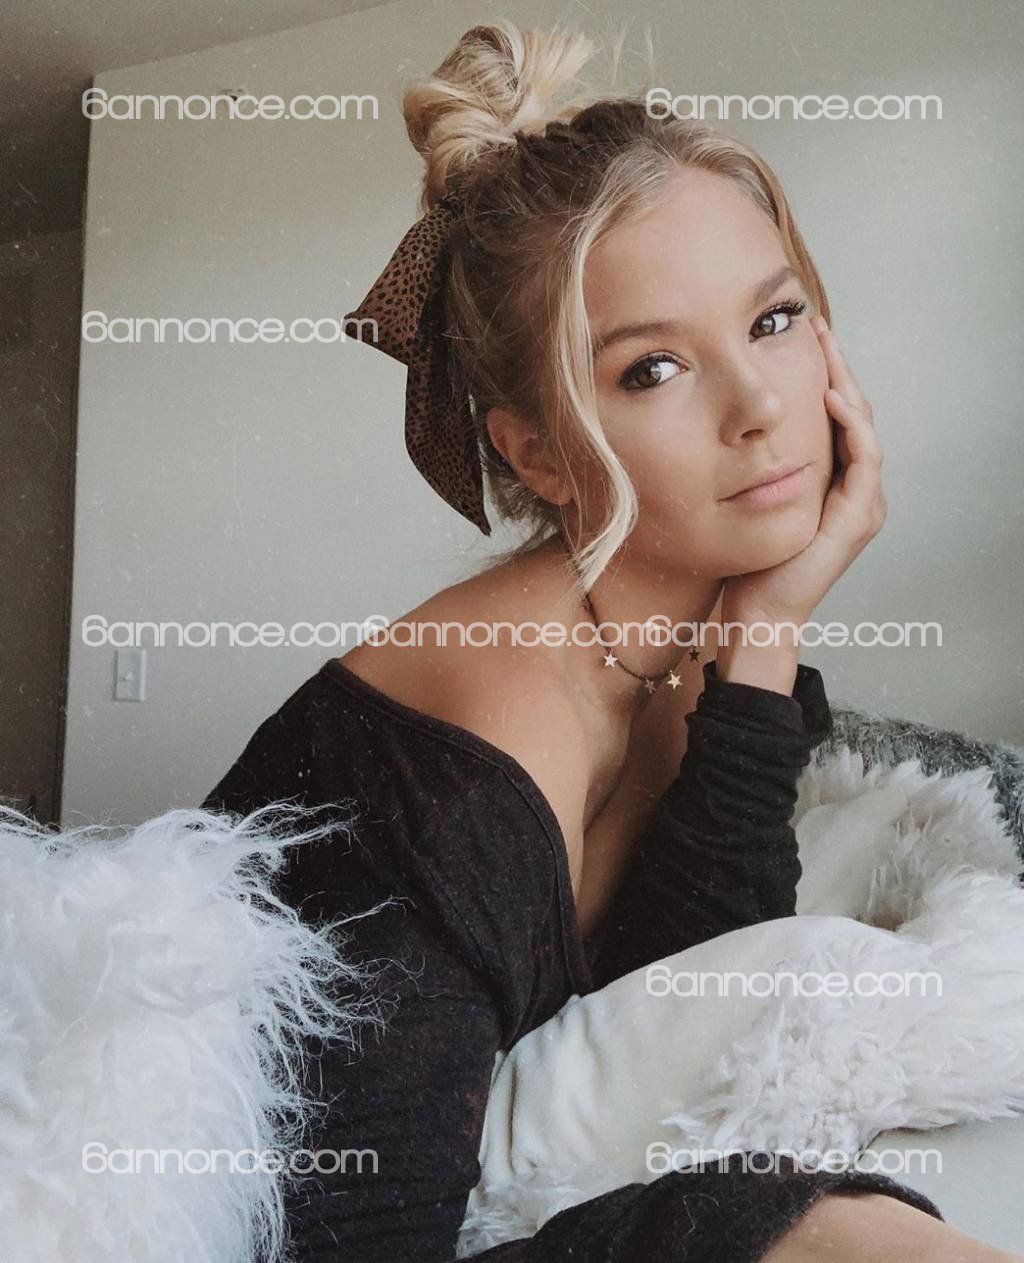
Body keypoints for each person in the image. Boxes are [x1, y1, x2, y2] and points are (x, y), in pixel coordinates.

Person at [203, 20, 1022, 1263]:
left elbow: (678, 983)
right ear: (534, 452)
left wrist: (765, 635)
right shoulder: (468, 752)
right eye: (652, 370)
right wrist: (796, 1231)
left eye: (774, 318)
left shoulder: (698, 637)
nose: (759, 407)